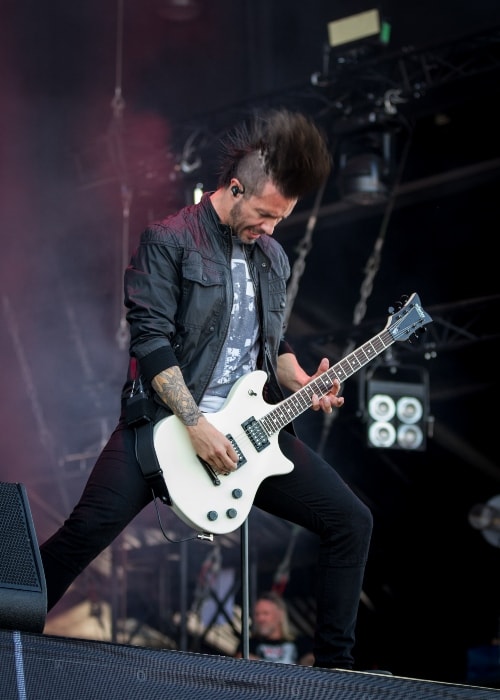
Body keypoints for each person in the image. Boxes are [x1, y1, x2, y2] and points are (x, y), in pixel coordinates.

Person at [39, 108, 373, 671]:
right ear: (235, 189)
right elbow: (150, 341)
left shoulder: (272, 257)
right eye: (265, 215)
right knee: (84, 532)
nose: (271, 229)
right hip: (166, 425)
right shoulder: (168, 240)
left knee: (352, 520)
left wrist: (300, 378)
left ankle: (336, 671)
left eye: (280, 220)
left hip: (250, 433)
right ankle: (6, 631)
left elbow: (272, 340)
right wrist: (195, 424)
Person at [235, 591, 314, 666]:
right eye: (257, 614)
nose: (260, 619)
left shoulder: (301, 642)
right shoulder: (248, 644)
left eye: (265, 613)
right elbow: (239, 664)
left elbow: (311, 664)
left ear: (280, 615)